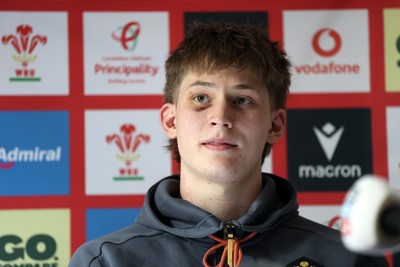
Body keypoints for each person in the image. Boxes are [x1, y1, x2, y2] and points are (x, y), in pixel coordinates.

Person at [69, 22, 389, 267]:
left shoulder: (346, 258)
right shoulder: (106, 260)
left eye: (242, 99)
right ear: (171, 121)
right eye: (200, 98)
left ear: (274, 125)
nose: (221, 116)